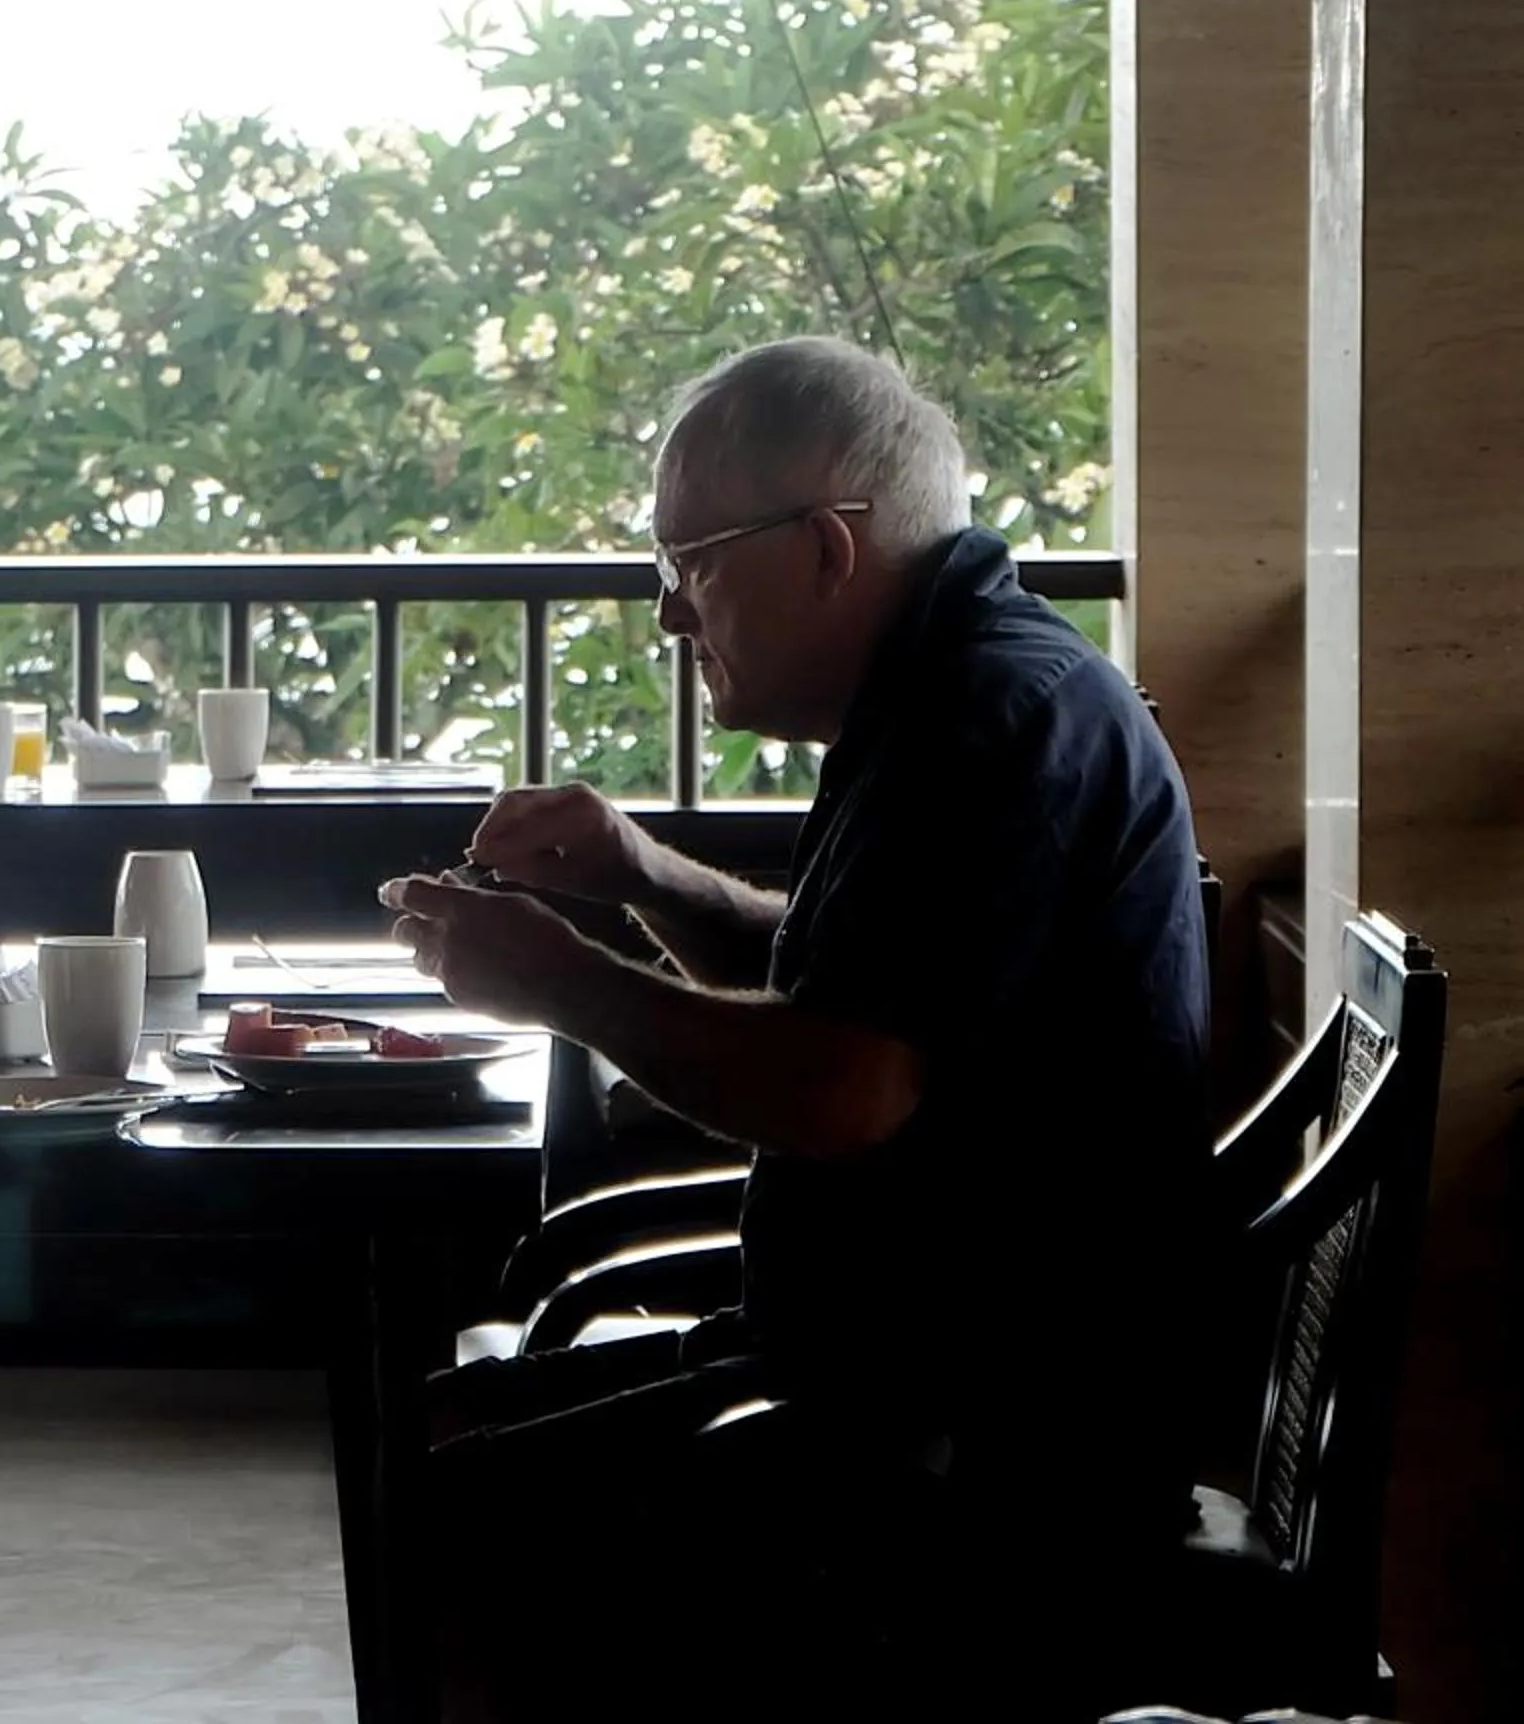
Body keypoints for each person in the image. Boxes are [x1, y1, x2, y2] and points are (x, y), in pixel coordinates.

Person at [382, 338, 1210, 1719]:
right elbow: (848, 985)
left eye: (690, 560)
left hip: (991, 1437)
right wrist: (641, 876)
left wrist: (562, 978)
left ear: (828, 548)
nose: (667, 615)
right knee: (442, 1424)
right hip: (899, 1369)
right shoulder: (949, 687)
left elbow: (845, 1090)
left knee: (438, 1508)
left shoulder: (989, 715)